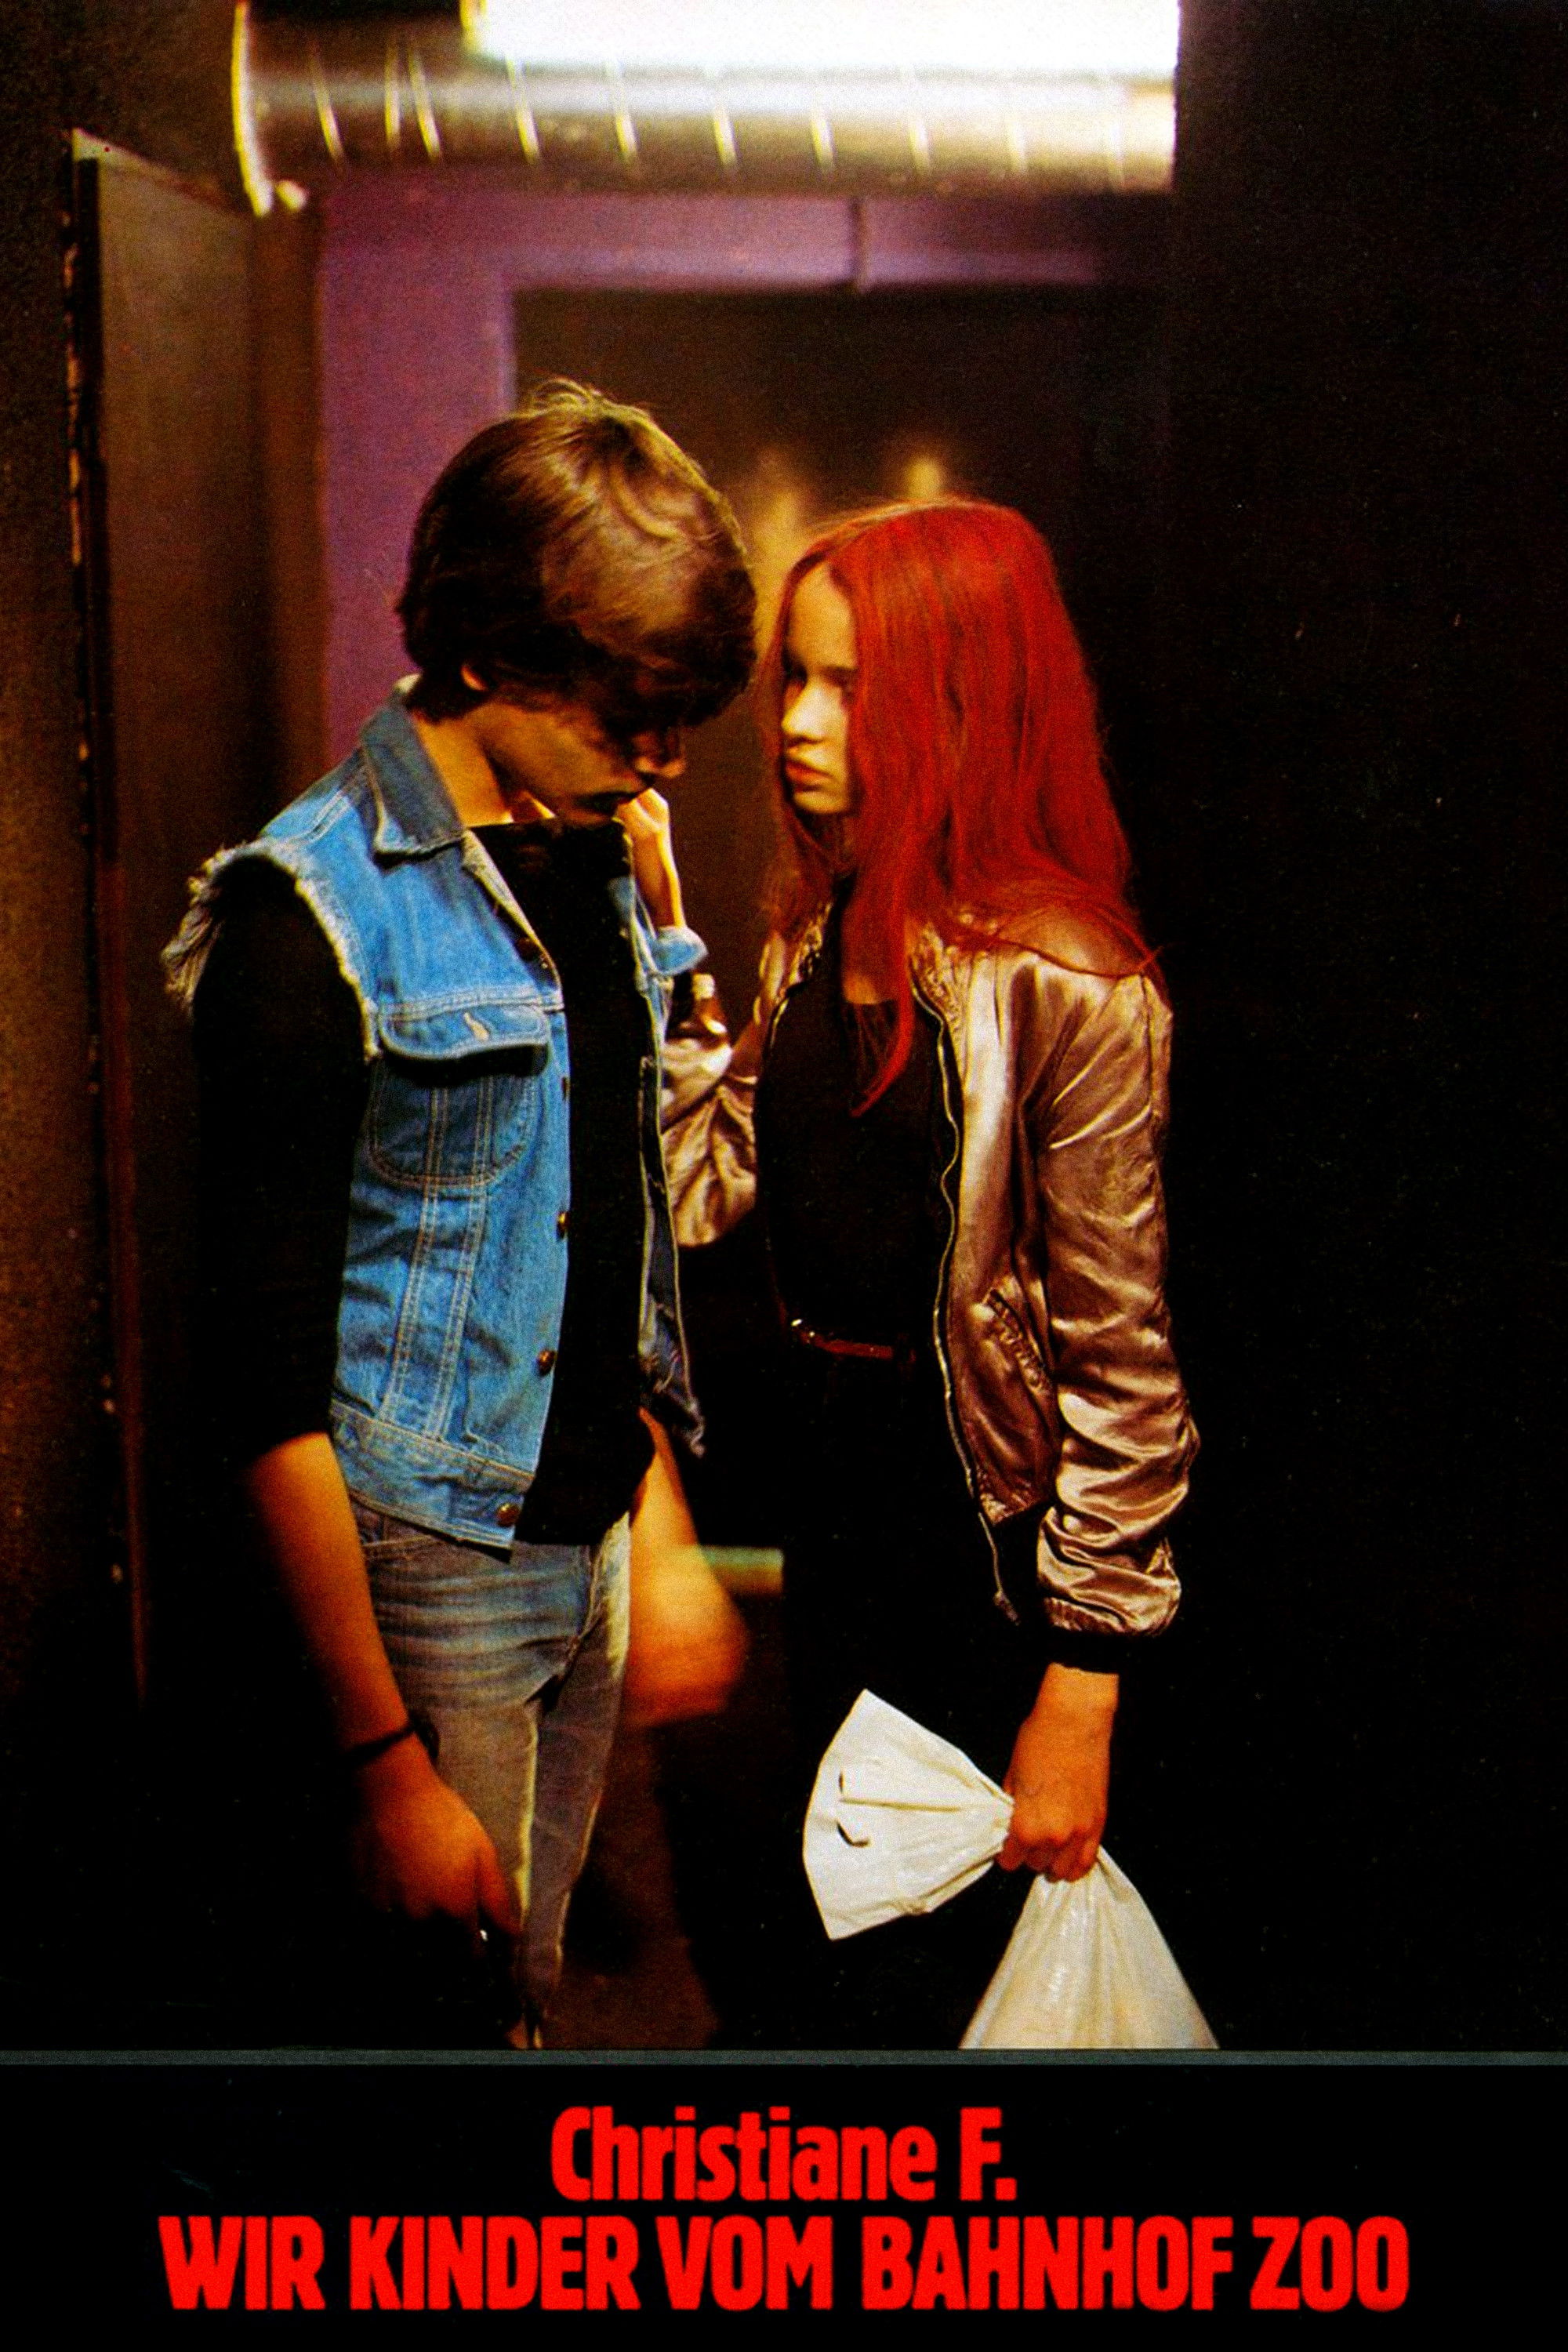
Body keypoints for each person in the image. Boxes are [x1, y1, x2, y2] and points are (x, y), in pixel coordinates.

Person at [165, 380, 754, 2045]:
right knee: (441, 2031)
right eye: (630, 717)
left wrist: (655, 1535)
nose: (663, 760)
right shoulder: (306, 914)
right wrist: (383, 1763)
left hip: (584, 1545)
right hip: (430, 1572)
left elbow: (606, 1241)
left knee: (532, 2005)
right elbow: (262, 1388)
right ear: (491, 654)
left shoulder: (587, 853)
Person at [656, 499, 1197, 2047]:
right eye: (797, 679)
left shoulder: (1066, 979)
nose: (799, 723)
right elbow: (700, 1188)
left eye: (852, 687)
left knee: (972, 1987)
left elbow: (1123, 1369)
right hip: (838, 1530)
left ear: (959, 702)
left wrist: (1081, 1687)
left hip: (990, 1566)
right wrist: (665, 935)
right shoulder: (816, 937)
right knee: (854, 1966)